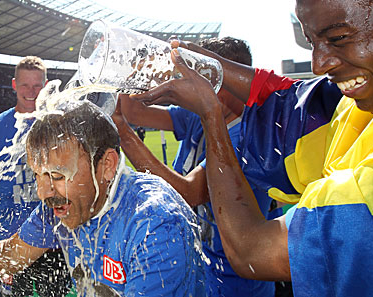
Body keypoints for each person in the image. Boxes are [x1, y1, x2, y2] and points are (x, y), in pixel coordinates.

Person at [131, 0, 373, 296]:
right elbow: (295, 104)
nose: (317, 65)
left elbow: (251, 251)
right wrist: (210, 67)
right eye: (311, 42)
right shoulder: (357, 108)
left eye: (337, 38)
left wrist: (211, 114)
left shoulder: (368, 188)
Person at [0, 100, 209, 296]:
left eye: (58, 175)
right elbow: (11, 255)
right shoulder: (61, 203)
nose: (43, 193)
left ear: (107, 165)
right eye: (38, 175)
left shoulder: (155, 224)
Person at [112, 37, 277, 297]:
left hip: (237, 281)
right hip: (200, 266)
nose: (191, 84)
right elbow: (135, 113)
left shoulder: (246, 136)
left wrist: (122, 133)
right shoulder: (199, 114)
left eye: (199, 76)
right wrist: (136, 70)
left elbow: (188, 194)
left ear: (227, 79)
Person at [0, 56, 71, 297]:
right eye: (24, 85)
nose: (31, 92)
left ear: (46, 86)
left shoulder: (59, 124)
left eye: (37, 85)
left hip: (52, 243)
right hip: (8, 244)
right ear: (14, 85)